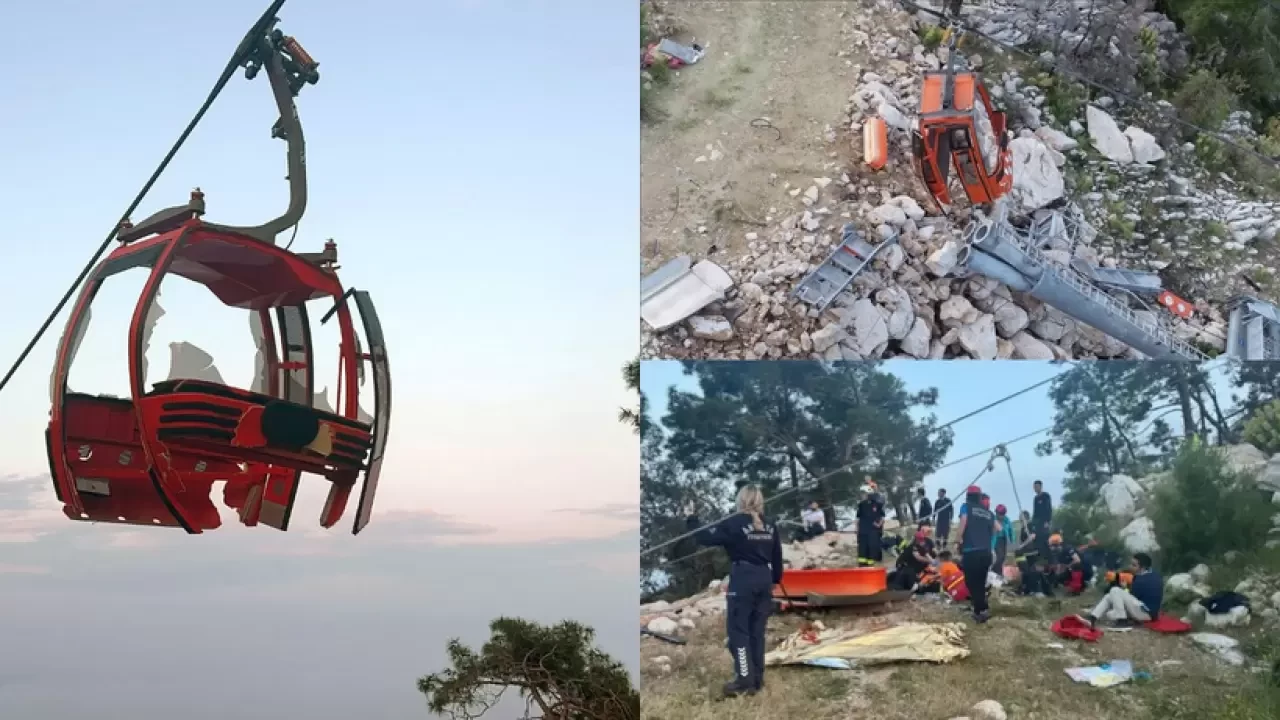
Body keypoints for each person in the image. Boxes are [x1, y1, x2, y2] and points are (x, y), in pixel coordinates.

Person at [685, 484, 783, 697]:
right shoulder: (770, 524)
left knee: (739, 633)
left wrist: (692, 518)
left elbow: (706, 538)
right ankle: (756, 679)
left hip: (743, 580)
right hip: (764, 580)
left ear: (740, 501)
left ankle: (744, 681)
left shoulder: (734, 523)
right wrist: (774, 581)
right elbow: (777, 557)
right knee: (757, 633)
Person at [1080, 552, 1163, 629]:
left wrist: (1124, 588)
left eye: (1134, 565)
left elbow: (1131, 596)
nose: (1131, 567)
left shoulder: (1141, 580)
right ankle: (1093, 618)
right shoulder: (1153, 574)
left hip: (1146, 614)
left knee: (1115, 590)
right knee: (1109, 597)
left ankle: (1122, 621)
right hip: (1146, 611)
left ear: (1143, 567)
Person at [954, 484, 996, 623]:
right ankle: (982, 608)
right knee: (980, 581)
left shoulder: (966, 507)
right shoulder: (989, 512)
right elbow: (998, 528)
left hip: (972, 551)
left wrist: (957, 540)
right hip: (986, 552)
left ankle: (980, 611)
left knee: (971, 582)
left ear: (968, 496)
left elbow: (963, 522)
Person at [855, 486, 885, 567]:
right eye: (862, 493)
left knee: (871, 550)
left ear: (869, 494)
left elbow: (882, 517)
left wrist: (879, 524)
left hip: (873, 532)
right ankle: (862, 566)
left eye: (864, 493)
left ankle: (870, 567)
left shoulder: (877, 505)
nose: (862, 495)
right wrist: (857, 530)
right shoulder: (861, 505)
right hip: (863, 531)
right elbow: (858, 518)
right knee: (862, 550)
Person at [992, 504, 1015, 573]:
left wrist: (1012, 541)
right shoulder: (993, 519)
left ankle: (999, 574)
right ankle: (996, 573)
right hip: (995, 540)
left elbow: (1011, 531)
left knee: (1002, 558)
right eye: (999, 514)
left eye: (1002, 514)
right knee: (998, 557)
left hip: (1003, 540)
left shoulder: (1006, 520)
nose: (1001, 516)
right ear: (996, 513)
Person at [1031, 480, 1053, 557]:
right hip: (1038, 522)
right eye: (1034, 487)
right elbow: (1035, 512)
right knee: (1038, 539)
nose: (1035, 488)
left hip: (1045, 521)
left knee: (1045, 538)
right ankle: (1040, 556)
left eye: (1037, 487)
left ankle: (1049, 556)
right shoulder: (1035, 498)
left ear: (1040, 487)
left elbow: (1049, 509)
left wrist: (1048, 521)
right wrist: (1033, 523)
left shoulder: (1046, 496)